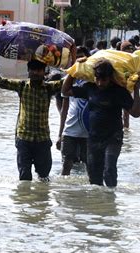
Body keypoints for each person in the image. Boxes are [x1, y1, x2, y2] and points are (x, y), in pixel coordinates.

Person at [0, 47, 74, 182]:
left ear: (44, 72)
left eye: (39, 70)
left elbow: (68, 81)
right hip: (24, 139)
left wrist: (75, 62)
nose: (35, 73)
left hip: (42, 140)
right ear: (28, 71)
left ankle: (40, 201)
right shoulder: (21, 86)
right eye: (32, 70)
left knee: (44, 177)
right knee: (24, 178)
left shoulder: (49, 88)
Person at [62, 59, 140, 187]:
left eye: (103, 80)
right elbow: (65, 91)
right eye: (97, 79)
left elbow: (136, 113)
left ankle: (111, 201)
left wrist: (137, 90)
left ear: (110, 78)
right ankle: (98, 205)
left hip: (113, 137)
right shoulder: (90, 88)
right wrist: (73, 70)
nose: (100, 83)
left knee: (109, 169)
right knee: (94, 180)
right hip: (93, 139)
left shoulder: (119, 91)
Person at [57, 46, 90, 175]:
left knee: (90, 166)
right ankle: (65, 194)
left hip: (89, 132)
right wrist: (60, 134)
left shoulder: (94, 80)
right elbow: (64, 109)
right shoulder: (69, 81)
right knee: (66, 166)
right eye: (77, 58)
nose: (79, 60)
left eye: (83, 57)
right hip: (70, 130)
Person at [120, 40, 136, 128]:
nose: (130, 51)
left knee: (127, 114)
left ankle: (126, 130)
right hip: (118, 88)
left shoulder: (132, 61)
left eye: (131, 49)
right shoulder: (118, 60)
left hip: (128, 89)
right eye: (128, 49)